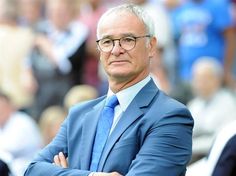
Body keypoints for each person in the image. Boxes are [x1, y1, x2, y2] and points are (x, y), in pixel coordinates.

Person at [24, 4, 194, 176]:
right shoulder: (79, 115)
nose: (116, 50)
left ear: (151, 46)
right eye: (107, 41)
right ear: (99, 50)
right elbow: (32, 170)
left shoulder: (170, 117)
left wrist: (65, 173)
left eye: (128, 39)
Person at [187, 57, 236, 161]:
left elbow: (224, 141)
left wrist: (193, 146)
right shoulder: (194, 105)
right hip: (193, 156)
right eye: (196, 78)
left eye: (204, 79)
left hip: (219, 158)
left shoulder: (228, 103)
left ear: (217, 79)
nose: (199, 83)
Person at [0, 91, 42, 176]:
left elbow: (11, 148)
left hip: (28, 167)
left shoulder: (22, 121)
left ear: (9, 106)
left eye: (2, 107)